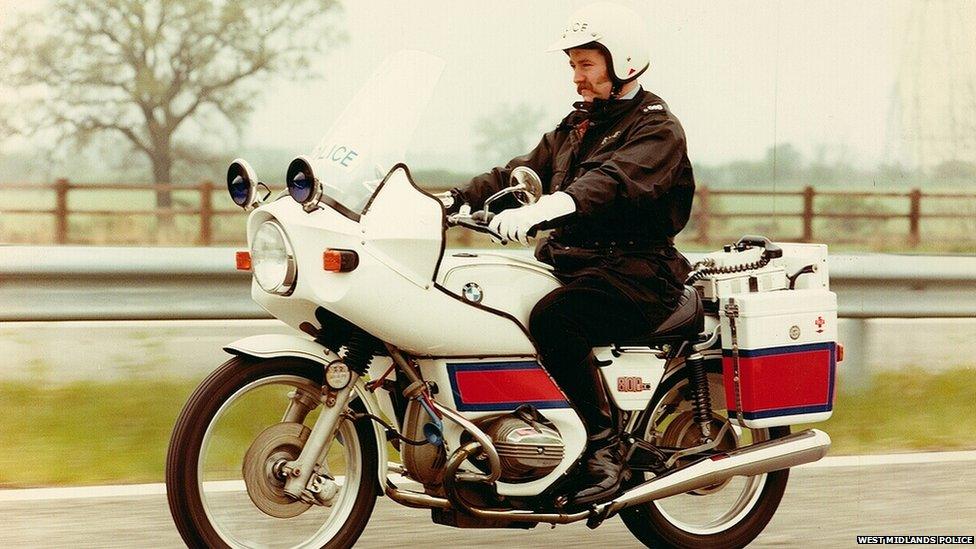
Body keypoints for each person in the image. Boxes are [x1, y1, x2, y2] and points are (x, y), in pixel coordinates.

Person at [449, 2, 695, 506]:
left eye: (586, 64)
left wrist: (548, 209)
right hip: (581, 266)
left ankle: (605, 449)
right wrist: (452, 199)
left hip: (638, 276)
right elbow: (520, 171)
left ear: (621, 62)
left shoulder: (656, 129)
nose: (577, 78)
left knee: (555, 319)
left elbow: (611, 181)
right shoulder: (579, 125)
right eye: (573, 66)